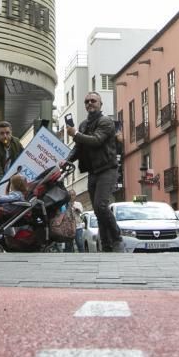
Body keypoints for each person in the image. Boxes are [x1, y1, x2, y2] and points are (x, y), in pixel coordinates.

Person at [62, 91, 124, 253]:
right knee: (98, 210)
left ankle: (116, 237)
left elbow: (96, 141)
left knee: (100, 205)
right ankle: (107, 245)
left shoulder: (106, 122)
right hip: (93, 171)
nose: (90, 103)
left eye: (93, 101)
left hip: (107, 169)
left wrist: (75, 133)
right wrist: (67, 160)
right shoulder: (83, 125)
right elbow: (78, 147)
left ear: (100, 104)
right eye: (87, 101)